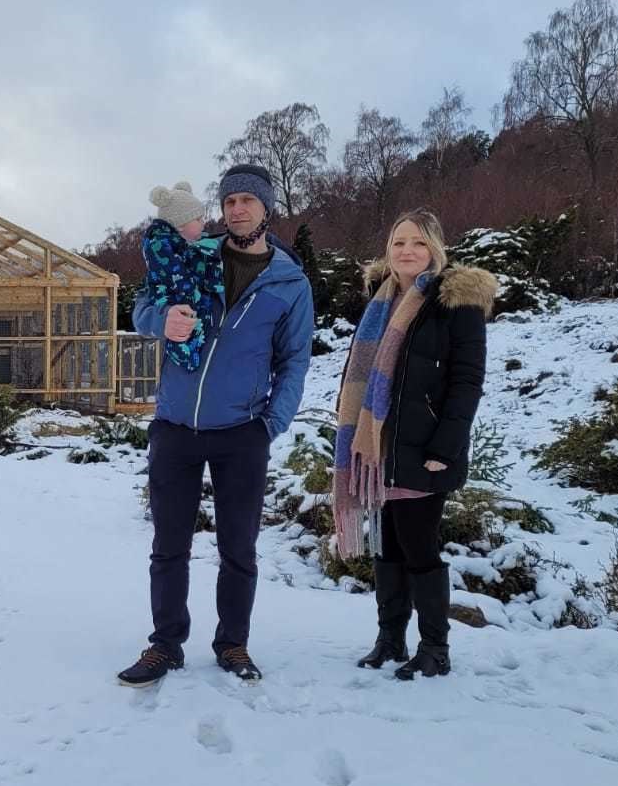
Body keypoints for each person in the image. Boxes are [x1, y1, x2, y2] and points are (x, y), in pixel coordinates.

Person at [121, 165, 315, 686]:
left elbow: (295, 359)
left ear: (266, 208)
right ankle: (165, 644)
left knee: (238, 548)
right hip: (176, 426)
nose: (237, 209)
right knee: (169, 545)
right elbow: (142, 306)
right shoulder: (192, 254)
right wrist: (161, 322)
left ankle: (233, 643)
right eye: (229, 201)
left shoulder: (289, 282)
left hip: (242, 433)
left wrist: (271, 423)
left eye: (248, 200)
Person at [331, 208, 495, 680]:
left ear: (435, 250)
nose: (407, 251)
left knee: (420, 547)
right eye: (399, 242)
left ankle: (435, 649)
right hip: (376, 453)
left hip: (425, 448)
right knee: (388, 549)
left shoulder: (455, 302)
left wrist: (445, 446)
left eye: (418, 243)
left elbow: (467, 380)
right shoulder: (380, 302)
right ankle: (390, 639)